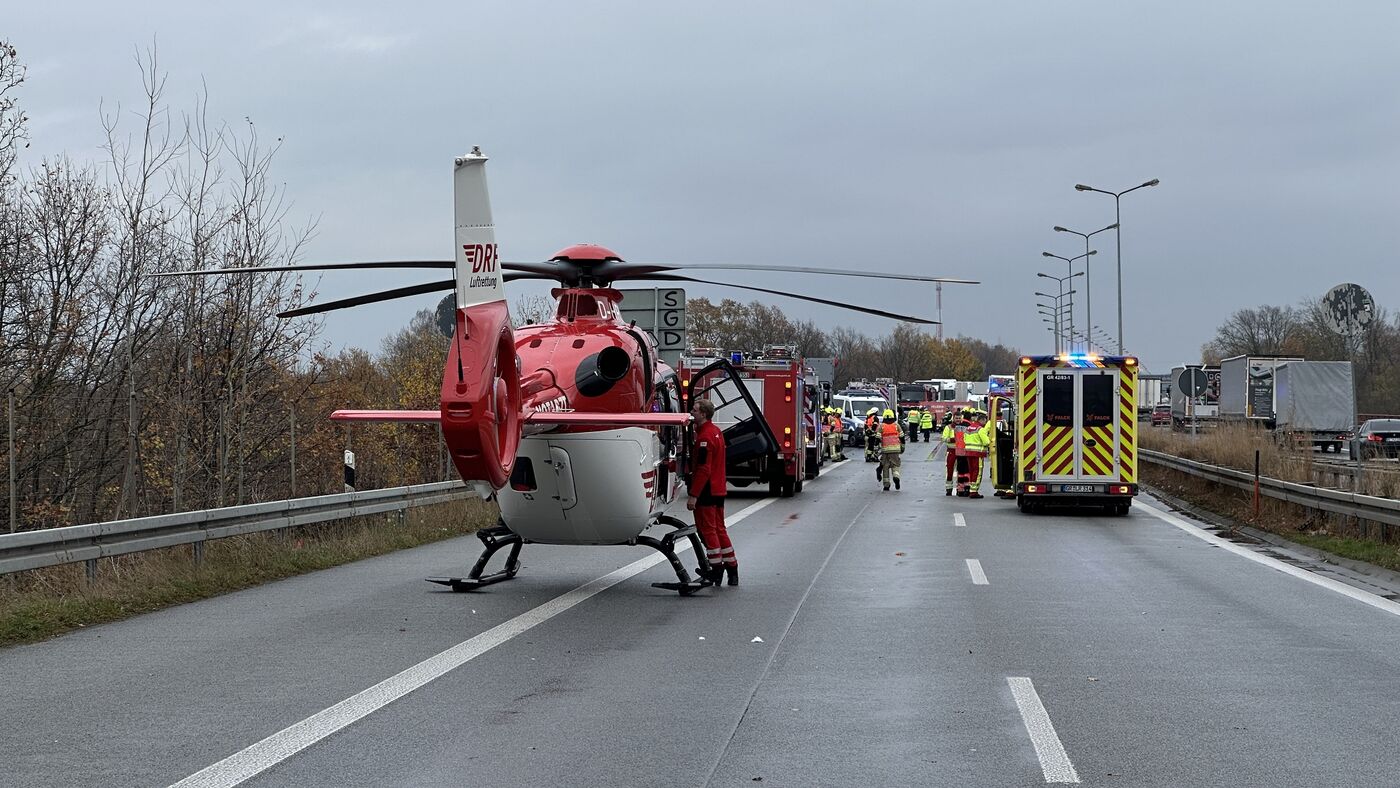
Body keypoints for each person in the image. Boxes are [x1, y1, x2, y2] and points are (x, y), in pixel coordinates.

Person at [688, 398, 737, 585]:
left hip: (707, 489)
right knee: (719, 529)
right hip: (718, 488)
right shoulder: (716, 432)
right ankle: (732, 569)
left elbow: (703, 469)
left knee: (708, 530)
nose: (691, 413)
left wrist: (694, 495)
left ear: (703, 414)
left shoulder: (704, 438)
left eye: (694, 410)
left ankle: (716, 570)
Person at [963, 410, 993, 499]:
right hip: (978, 453)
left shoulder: (969, 428)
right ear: (982, 420)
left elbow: (964, 439)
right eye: (985, 421)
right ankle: (974, 491)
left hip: (968, 452)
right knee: (977, 472)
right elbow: (986, 442)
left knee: (971, 471)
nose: (985, 423)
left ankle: (971, 489)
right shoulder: (980, 429)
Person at [878, 408, 905, 491]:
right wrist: (902, 447)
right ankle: (896, 476)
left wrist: (876, 450)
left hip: (885, 450)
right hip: (895, 449)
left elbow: (877, 438)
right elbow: (902, 437)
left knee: (885, 467)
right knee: (895, 465)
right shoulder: (896, 425)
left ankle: (886, 485)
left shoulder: (881, 426)